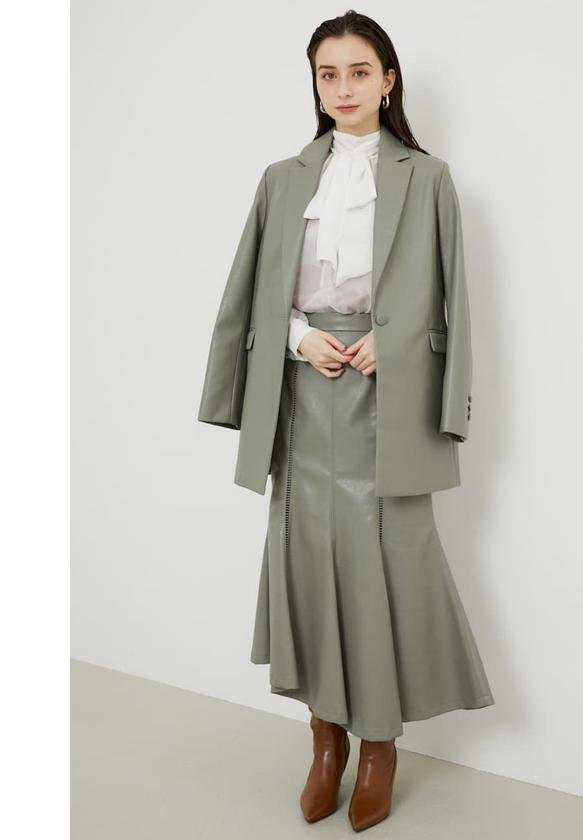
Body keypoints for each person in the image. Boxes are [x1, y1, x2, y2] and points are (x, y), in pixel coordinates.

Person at [198, 10, 495, 832]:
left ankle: (379, 745)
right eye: (328, 74)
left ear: (388, 80)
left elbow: (453, 302)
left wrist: (390, 349)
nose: (343, 87)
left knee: (385, 567)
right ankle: (324, 739)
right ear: (316, 84)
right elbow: (253, 289)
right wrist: (298, 337)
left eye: (360, 71)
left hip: (389, 398)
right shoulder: (283, 177)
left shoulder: (427, 178)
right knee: (304, 560)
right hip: (302, 393)